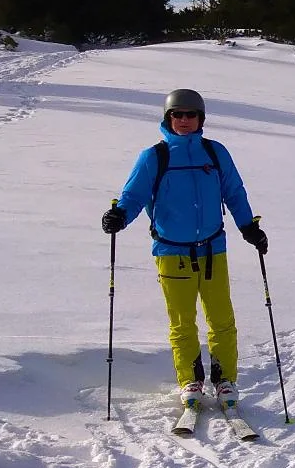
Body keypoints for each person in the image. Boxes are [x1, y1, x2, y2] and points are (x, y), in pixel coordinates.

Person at [99, 88, 268, 411]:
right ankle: (190, 380)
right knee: (182, 322)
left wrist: (249, 227)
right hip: (171, 252)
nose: (185, 120)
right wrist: (119, 214)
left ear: (201, 118)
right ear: (168, 118)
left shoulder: (215, 153)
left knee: (221, 319)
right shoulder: (154, 157)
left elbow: (234, 192)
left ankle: (224, 380)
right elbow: (134, 195)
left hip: (212, 250)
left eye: (191, 115)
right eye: (178, 114)